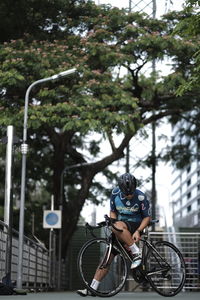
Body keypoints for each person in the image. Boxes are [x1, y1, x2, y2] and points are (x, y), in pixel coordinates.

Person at [77, 172, 151, 297]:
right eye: (125, 193)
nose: (128, 196)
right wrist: (113, 223)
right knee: (106, 260)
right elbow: (113, 212)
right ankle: (93, 288)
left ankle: (136, 252)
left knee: (117, 226)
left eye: (131, 193)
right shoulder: (115, 194)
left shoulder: (141, 197)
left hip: (136, 226)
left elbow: (147, 218)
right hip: (120, 227)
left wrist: (139, 231)